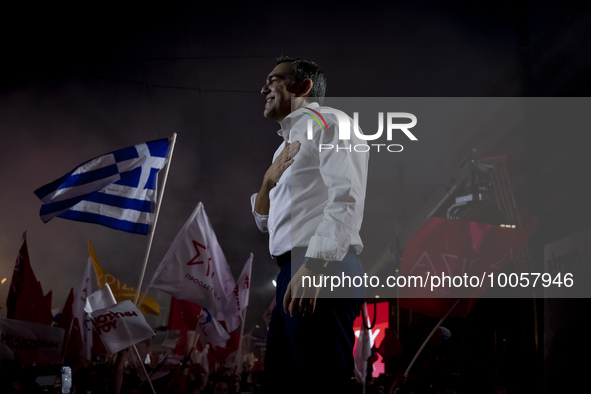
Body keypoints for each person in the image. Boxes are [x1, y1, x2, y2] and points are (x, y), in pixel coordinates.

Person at [251, 56, 369, 393]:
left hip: (322, 264)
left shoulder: (331, 121)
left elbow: (346, 198)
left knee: (320, 383)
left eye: (274, 79)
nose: (263, 89)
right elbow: (263, 221)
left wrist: (314, 267)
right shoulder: (281, 150)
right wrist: (266, 182)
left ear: (302, 86)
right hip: (294, 268)